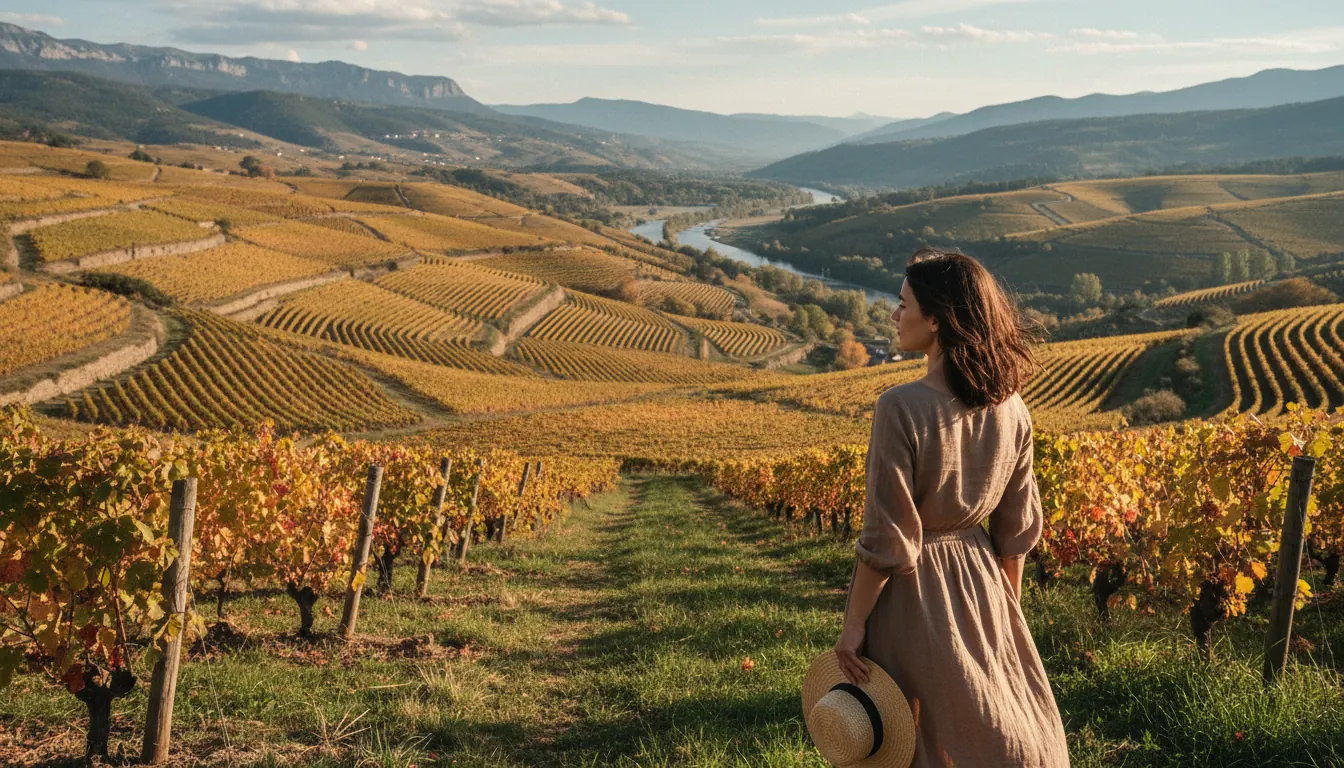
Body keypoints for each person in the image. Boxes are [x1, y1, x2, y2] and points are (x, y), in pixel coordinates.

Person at [833, 247, 1070, 767]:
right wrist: (1006, 610)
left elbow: (890, 539)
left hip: (914, 592)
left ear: (936, 319)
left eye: (903, 304)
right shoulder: (1013, 408)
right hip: (983, 577)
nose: (895, 316)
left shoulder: (899, 407)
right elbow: (1016, 531)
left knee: (914, 736)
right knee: (989, 719)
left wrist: (853, 628)